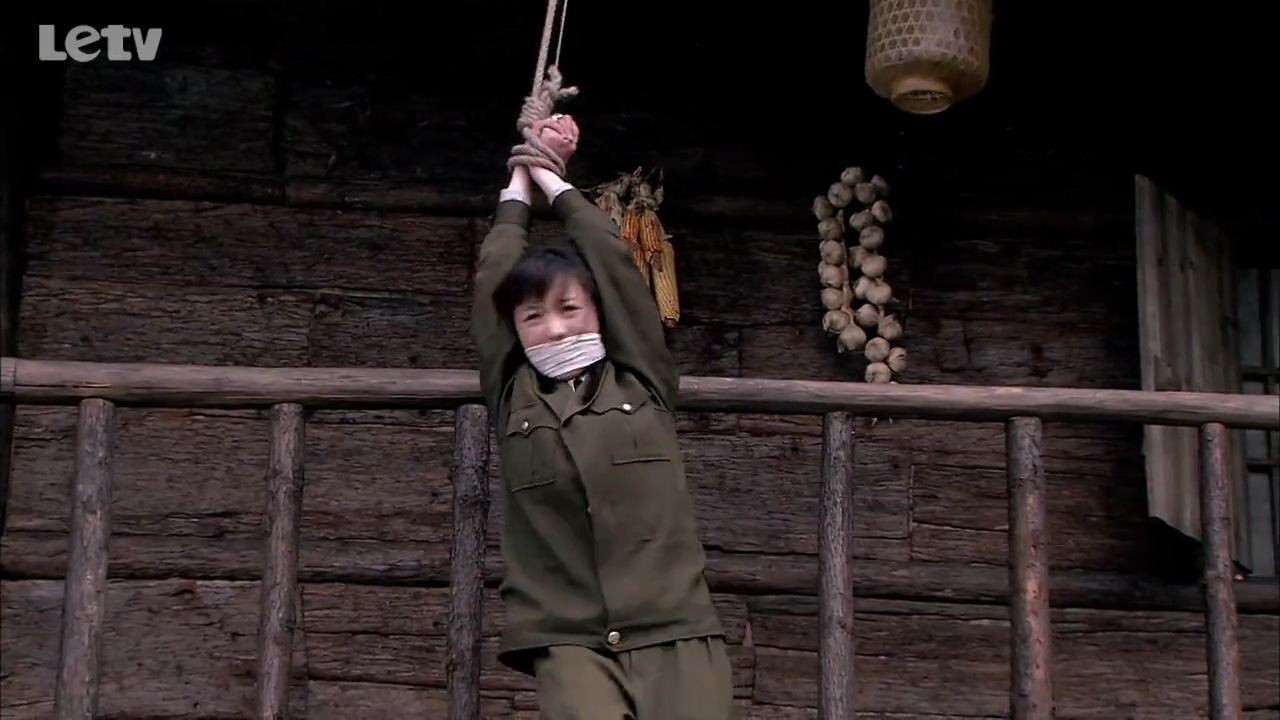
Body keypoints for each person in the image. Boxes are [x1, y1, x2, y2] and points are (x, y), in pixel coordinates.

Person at [471, 114, 733, 719]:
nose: (554, 327)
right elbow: (493, 281)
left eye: (568, 308)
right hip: (569, 637)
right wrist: (518, 183)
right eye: (533, 316)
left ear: (597, 313)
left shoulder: (642, 379)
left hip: (675, 629)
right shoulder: (513, 394)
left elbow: (615, 266)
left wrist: (554, 180)